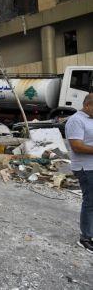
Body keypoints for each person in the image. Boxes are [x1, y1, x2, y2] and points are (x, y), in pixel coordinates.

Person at [66, 93, 93, 253]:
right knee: (90, 202)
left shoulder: (90, 119)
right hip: (85, 168)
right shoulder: (76, 120)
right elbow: (77, 146)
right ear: (88, 105)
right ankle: (85, 238)